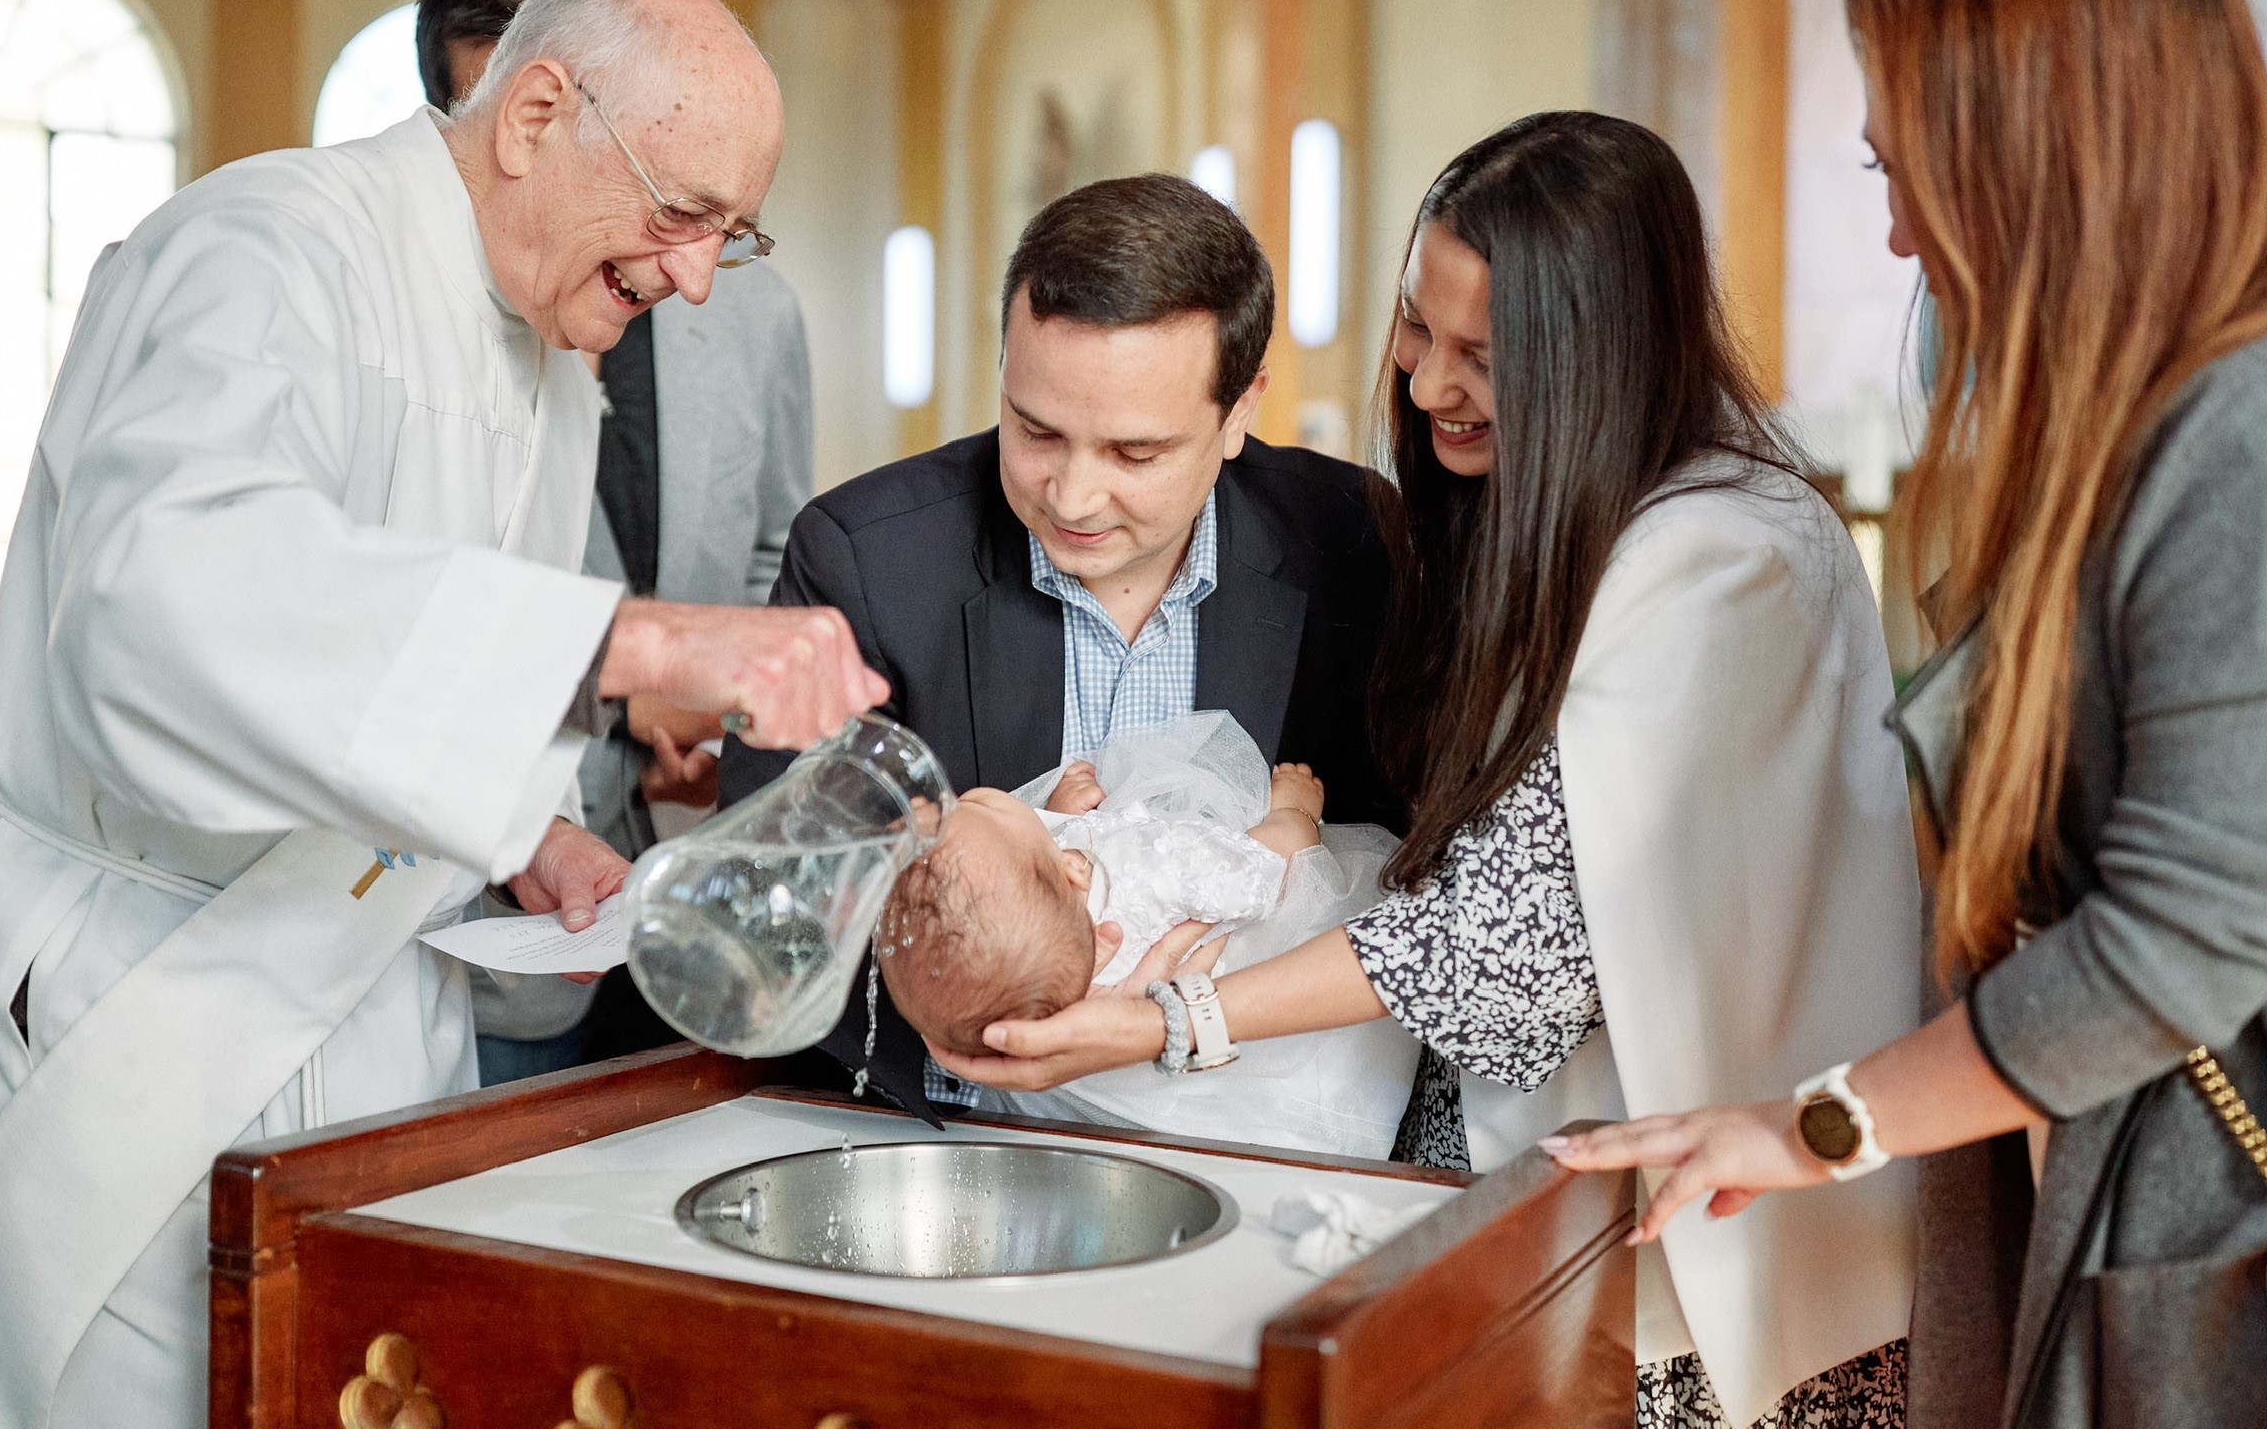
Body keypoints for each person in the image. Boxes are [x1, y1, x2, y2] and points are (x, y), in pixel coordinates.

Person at [0, 0, 884, 1429]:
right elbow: (171, 597)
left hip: (380, 996)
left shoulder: (546, 347)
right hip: (144, 989)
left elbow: (404, 681)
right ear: (535, 114)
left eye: (733, 231)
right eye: (683, 212)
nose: (700, 278)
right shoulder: (264, 248)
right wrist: (632, 642)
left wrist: (523, 832)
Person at [944, 114, 1922, 1429]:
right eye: (1417, 328)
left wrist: (1167, 1021)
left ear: (1599, 357)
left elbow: (1507, 957)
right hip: (1529, 1189)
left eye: (1485, 358)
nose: (1425, 386)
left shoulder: (1722, 557)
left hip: (1694, 1211)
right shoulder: (1545, 522)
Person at [1546, 0, 2267, 1426]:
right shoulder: (2142, 433)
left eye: (1901, 168)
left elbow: (2178, 942)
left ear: (2039, 149)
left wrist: (1813, 1126)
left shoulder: (2237, 441)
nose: (1894, 234)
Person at [718, 173, 1401, 1122]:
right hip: (952, 1125)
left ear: (1241, 409)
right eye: (1036, 430)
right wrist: (985, 1036)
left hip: (1268, 1120)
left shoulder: (1357, 544)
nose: (1073, 498)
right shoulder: (865, 558)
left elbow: (1420, 871)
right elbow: (767, 887)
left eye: (1135, 454)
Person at [413, 0, 818, 1082]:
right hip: (492, 901)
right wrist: (624, 681)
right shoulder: (415, 327)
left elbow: (774, 547)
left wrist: (716, 718)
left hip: (698, 855)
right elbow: (383, 610)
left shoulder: (745, 304)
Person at [879, 712, 1416, 1157]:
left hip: (1114, 1108)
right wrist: (1293, 813)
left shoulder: (1031, 966)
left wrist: (1058, 819)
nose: (964, 796)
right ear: (1072, 867)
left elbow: (1026, 868)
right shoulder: (1152, 874)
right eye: (983, 805)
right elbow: (1260, 872)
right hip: (1289, 1035)